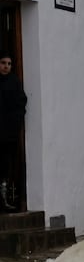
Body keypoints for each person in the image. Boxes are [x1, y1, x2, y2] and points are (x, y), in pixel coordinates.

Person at [0, 52, 27, 212]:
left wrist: (15, 122)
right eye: (3, 63)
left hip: (8, 134)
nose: (6, 66)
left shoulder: (14, 82)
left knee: (5, 166)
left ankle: (4, 201)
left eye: (9, 64)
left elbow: (21, 103)